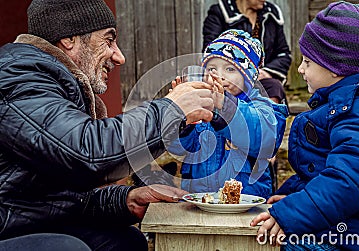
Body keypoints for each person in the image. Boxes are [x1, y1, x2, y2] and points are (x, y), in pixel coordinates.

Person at [0, 0, 217, 250]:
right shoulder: (18, 75)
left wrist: (125, 200)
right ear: (69, 38)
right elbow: (85, 153)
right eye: (108, 40)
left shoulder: (51, 82)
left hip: (22, 222)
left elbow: (51, 198)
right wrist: (171, 110)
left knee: (125, 242)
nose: (120, 56)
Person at [250, 1, 359, 250]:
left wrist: (290, 214)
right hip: (347, 223)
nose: (300, 68)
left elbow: (348, 183)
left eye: (307, 62)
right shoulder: (349, 105)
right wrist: (298, 198)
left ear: (334, 68)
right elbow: (326, 170)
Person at [168, 29, 288, 198]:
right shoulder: (202, 105)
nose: (219, 76)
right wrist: (181, 117)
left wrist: (225, 107)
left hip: (247, 201)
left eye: (230, 69)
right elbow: (179, 148)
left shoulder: (261, 107)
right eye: (211, 69)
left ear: (248, 76)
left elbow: (266, 141)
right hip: (200, 199)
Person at [202, 0, 292, 104]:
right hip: (228, 75)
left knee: (273, 87)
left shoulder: (271, 14)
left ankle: (267, 118)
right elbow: (211, 51)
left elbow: (283, 54)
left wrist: (265, 72)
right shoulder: (220, 13)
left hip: (261, 78)